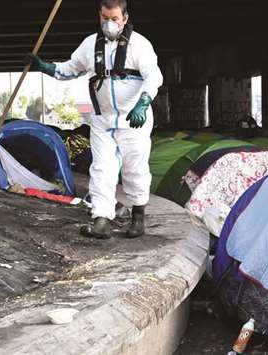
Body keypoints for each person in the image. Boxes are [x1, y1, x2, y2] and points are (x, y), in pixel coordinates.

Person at [25, 0, 163, 239]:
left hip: (133, 119)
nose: (109, 24)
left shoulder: (139, 45)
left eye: (114, 19)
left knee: (135, 166)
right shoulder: (91, 45)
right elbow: (70, 69)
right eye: (104, 18)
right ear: (99, 16)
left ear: (125, 19)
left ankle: (138, 216)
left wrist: (143, 102)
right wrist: (45, 67)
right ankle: (101, 219)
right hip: (102, 119)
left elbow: (154, 76)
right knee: (101, 168)